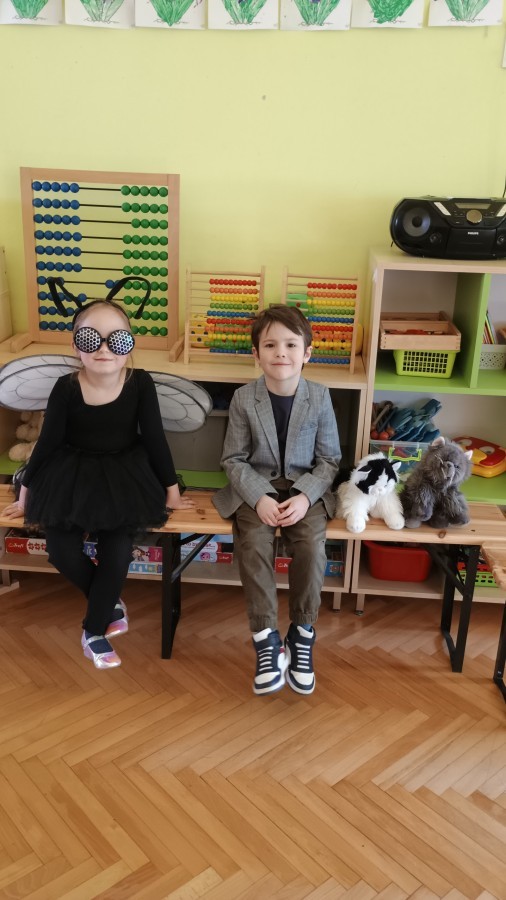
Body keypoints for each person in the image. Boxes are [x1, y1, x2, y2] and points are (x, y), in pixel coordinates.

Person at [1, 299, 194, 670]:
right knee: (60, 550)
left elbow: (156, 439)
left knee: (117, 552)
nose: (104, 349)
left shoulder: (140, 383)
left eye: (116, 340)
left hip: (125, 477)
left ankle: (93, 632)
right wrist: (25, 496)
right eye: (91, 339)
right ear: (76, 346)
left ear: (129, 345)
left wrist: (172, 492)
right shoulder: (66, 387)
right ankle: (109, 605)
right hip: (69, 475)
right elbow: (47, 444)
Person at [213, 305, 341, 696]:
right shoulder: (243, 398)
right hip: (257, 489)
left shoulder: (320, 397)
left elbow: (329, 460)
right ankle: (266, 637)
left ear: (307, 353)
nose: (280, 352)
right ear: (256, 353)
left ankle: (302, 633)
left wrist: (304, 497)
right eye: (270, 345)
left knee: (312, 546)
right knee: (253, 545)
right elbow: (233, 460)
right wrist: (260, 497)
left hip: (306, 491)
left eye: (290, 344)